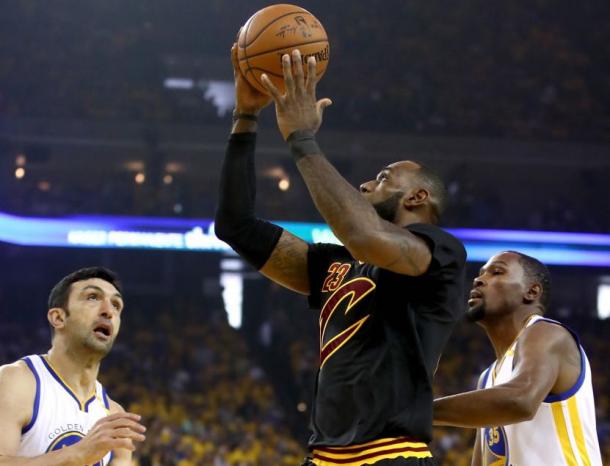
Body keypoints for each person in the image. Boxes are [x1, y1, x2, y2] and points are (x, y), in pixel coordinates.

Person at [215, 44, 466, 466]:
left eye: (384, 178)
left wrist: (301, 138)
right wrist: (245, 117)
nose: (366, 184)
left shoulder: (439, 253)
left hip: (391, 453)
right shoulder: (336, 265)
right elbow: (235, 224)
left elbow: (365, 237)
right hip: (325, 456)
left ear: (418, 197)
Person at [433, 251, 603, 466]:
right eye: (480, 274)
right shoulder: (487, 378)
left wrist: (420, 411)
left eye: (496, 272)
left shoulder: (547, 333)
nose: (478, 279)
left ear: (531, 292)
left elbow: (520, 401)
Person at [0, 267, 146, 466]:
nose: (108, 311)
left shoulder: (114, 416)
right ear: (58, 318)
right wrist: (77, 454)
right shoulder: (16, 382)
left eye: (116, 305)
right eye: (93, 297)